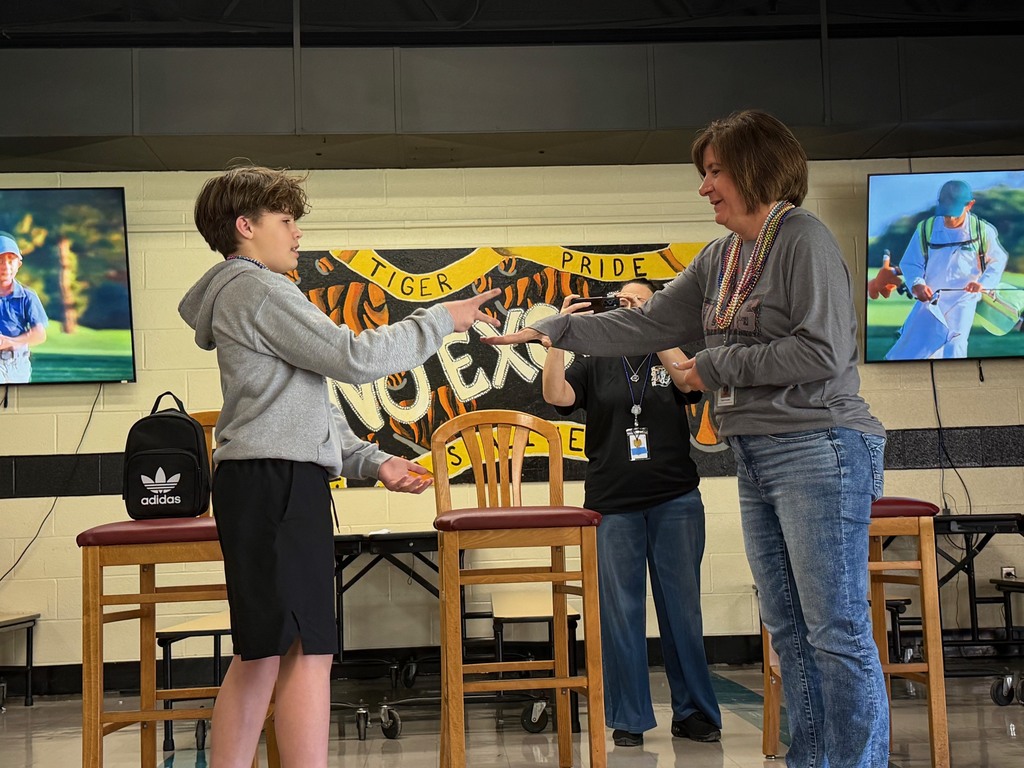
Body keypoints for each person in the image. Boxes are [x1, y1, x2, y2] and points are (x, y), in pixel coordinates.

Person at [484, 110, 888, 768]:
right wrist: (550, 331)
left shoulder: (804, 239)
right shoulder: (720, 258)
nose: (704, 188)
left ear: (756, 169)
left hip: (821, 449)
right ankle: (812, 759)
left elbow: (820, 351)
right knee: (787, 627)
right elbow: (641, 325)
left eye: (715, 172)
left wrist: (716, 365)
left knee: (835, 630)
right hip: (757, 455)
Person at [178, 165, 500, 768]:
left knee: (267, 653)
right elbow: (352, 358)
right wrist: (442, 320)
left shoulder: (250, 293)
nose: (297, 234)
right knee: (302, 650)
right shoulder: (258, 289)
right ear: (245, 227)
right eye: (285, 220)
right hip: (272, 485)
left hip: (270, 482)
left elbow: (305, 411)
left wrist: (374, 463)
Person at [542, 279, 721, 747]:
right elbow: (556, 396)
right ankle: (629, 716)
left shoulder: (672, 353)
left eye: (640, 301)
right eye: (622, 302)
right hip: (612, 503)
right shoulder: (596, 359)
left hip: (675, 498)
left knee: (682, 610)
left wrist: (653, 326)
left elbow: (688, 381)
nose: (629, 306)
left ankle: (694, 712)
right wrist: (560, 334)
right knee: (620, 613)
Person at [885, 179, 1008, 359]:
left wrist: (982, 284)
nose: (949, 218)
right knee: (915, 348)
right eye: (945, 212)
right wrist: (917, 283)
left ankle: (957, 381)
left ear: (970, 205)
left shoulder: (982, 231)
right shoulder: (926, 229)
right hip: (931, 299)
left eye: (954, 213)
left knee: (955, 344)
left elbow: (997, 260)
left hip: (963, 300)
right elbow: (911, 263)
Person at [0, 231, 48, 384]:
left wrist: (10, 342)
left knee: (17, 402)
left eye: (10, 260)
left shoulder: (27, 296)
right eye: (0, 260)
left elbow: (39, 334)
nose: (5, 267)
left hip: (18, 363)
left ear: (18, 264)